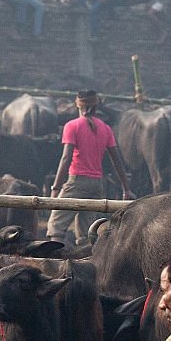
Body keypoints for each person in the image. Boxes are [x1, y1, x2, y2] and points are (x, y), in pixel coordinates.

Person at [46, 90, 132, 247]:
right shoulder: (106, 128)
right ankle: (87, 266)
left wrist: (56, 187)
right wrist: (126, 189)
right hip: (97, 185)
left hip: (76, 181)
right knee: (87, 235)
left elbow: (66, 158)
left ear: (77, 105)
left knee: (56, 227)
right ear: (96, 106)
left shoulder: (72, 126)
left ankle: (53, 263)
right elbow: (117, 161)